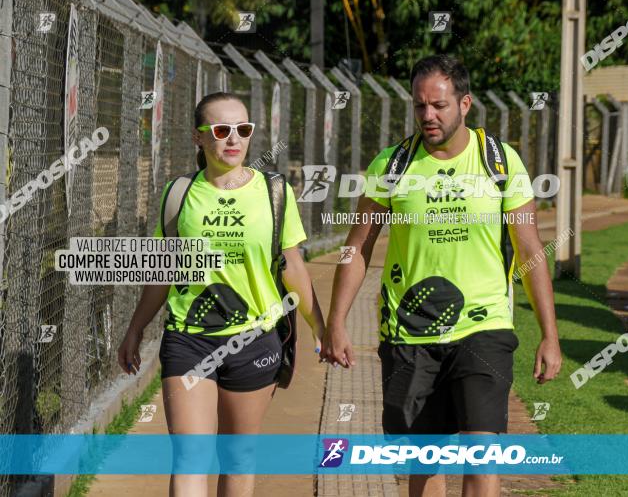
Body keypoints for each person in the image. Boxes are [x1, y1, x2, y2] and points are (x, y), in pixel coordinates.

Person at [322, 55, 561, 497]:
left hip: (484, 325)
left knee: (481, 458)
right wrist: (337, 321)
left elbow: (530, 250)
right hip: (411, 332)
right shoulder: (391, 166)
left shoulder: (500, 162)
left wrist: (550, 334)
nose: (428, 116)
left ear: (465, 103)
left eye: (439, 105)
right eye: (419, 106)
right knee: (425, 461)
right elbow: (358, 248)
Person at [118, 92, 325, 497]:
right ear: (199, 137)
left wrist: (322, 327)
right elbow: (163, 271)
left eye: (242, 129)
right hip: (188, 338)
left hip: (256, 337)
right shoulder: (179, 194)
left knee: (238, 458)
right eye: (220, 130)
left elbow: (294, 267)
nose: (233, 139)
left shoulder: (274, 192)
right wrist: (135, 329)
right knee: (191, 457)